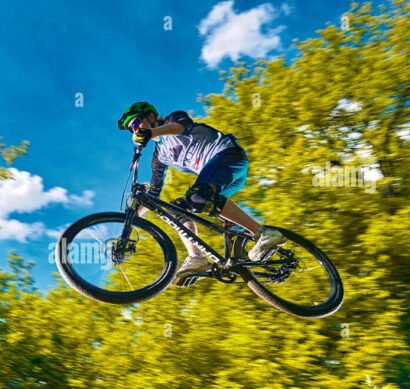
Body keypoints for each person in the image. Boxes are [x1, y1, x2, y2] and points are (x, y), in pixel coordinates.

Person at [117, 101, 286, 286]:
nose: (134, 130)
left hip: (229, 156)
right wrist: (132, 215)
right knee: (177, 209)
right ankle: (197, 258)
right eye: (130, 129)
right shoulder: (159, 157)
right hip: (219, 178)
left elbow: (181, 127)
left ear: (150, 116)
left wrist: (151, 133)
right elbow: (155, 193)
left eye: (136, 124)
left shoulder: (173, 119)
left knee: (197, 196)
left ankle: (263, 233)